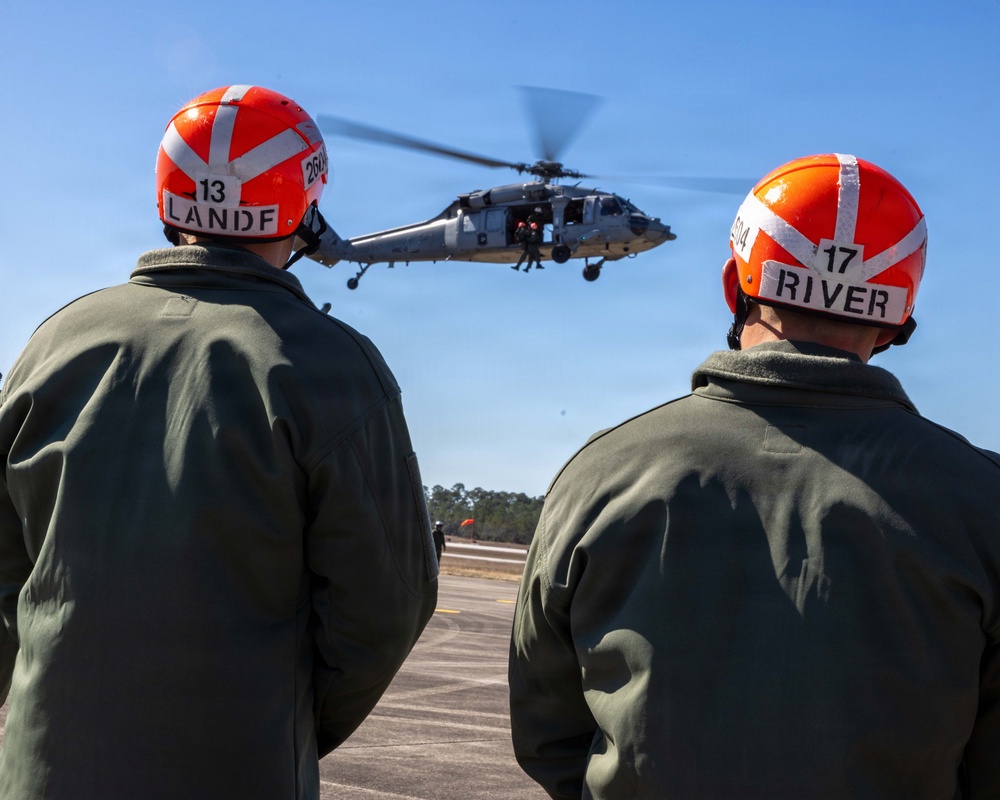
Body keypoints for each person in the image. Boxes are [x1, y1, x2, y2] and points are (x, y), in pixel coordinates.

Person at [508, 154, 1000, 799]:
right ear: (898, 315)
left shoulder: (602, 472)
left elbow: (549, 734)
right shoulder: (981, 499)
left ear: (731, 284)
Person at [0, 85, 438, 800]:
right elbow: (384, 607)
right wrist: (280, 725)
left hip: (42, 771)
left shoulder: (56, 342)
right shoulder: (332, 365)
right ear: (302, 201)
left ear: (168, 195)